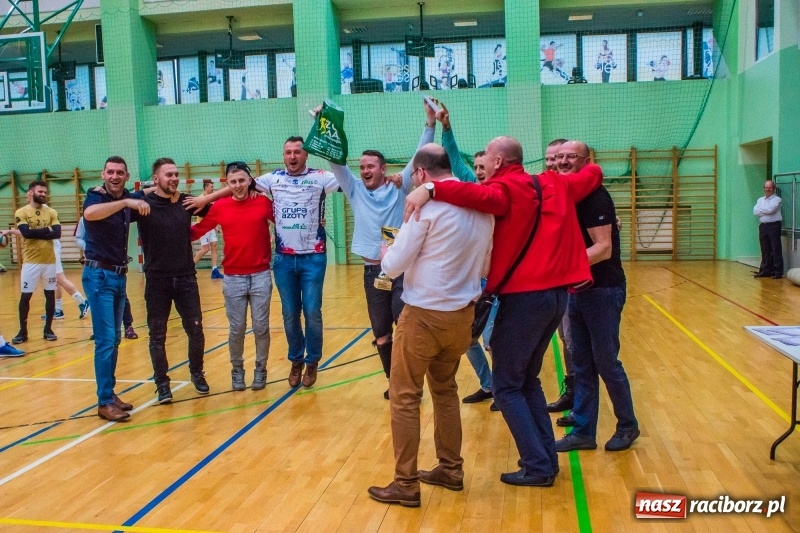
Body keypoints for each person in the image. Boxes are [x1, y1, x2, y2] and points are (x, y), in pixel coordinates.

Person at [403, 136, 603, 487]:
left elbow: (473, 194)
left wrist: (430, 190)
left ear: (498, 162)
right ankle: (545, 461)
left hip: (524, 300)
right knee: (527, 381)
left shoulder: (504, 190)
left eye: (487, 160)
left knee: (506, 386)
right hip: (557, 297)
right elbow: (593, 173)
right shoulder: (554, 184)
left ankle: (538, 466)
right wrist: (586, 161)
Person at [367, 144, 494, 507]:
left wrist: (386, 254)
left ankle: (405, 483)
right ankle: (451, 469)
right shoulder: (481, 208)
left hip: (423, 315)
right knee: (445, 390)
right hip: (463, 314)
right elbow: (486, 264)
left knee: (404, 397)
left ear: (421, 174)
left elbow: (394, 266)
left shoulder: (424, 207)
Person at [186, 139, 340, 389]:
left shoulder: (318, 178)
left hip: (311, 257)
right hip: (280, 261)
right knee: (288, 314)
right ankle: (295, 361)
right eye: (288, 152)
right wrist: (204, 201)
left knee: (311, 312)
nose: (292, 156)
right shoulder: (271, 179)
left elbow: (350, 183)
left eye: (297, 152)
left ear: (306, 155)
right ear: (283, 155)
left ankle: (311, 361)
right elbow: (236, 187)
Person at [326, 101, 436, 398]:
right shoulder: (353, 188)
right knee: (381, 333)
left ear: (383, 169)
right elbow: (336, 161)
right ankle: (395, 382)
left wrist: (430, 123)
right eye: (362, 167)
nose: (364, 170)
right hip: (374, 272)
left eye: (370, 166)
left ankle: (411, 381)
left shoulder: (399, 187)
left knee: (404, 324)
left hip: (400, 271)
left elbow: (419, 156)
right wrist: (327, 127)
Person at [553, 141, 639, 453]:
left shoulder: (595, 197)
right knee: (581, 364)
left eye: (570, 156)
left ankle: (627, 425)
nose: (563, 161)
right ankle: (583, 432)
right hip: (578, 290)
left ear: (586, 160)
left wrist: (560, 267)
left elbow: (603, 249)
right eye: (559, 157)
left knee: (606, 363)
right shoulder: (570, 195)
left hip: (603, 291)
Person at [191, 162, 274, 391]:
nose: (238, 185)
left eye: (241, 180)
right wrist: (168, 230)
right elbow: (198, 230)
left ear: (249, 181)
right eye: (233, 182)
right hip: (233, 278)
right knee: (236, 329)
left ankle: (261, 369)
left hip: (260, 275)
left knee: (261, 327)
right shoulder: (220, 206)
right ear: (227, 184)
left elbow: (285, 222)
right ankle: (237, 370)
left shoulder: (263, 202)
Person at [433, 102, 497, 406]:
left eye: (485, 167)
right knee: (468, 339)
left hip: (498, 281)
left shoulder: (505, 193)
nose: (480, 172)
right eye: (478, 168)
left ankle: (505, 388)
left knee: (493, 338)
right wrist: (446, 127)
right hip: (473, 279)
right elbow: (455, 159)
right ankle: (489, 384)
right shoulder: (472, 187)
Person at [133, 158, 209, 404]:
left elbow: (217, 208)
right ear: (156, 179)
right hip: (157, 280)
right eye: (169, 175)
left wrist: (207, 198)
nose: (174, 178)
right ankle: (162, 384)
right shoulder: (142, 204)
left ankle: (197, 373)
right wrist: (143, 192)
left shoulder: (187, 202)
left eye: (176, 174)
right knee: (157, 334)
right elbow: (116, 202)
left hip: (186, 277)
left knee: (195, 329)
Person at [81, 156, 150, 421]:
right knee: (105, 340)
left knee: (115, 339)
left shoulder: (127, 199)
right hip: (99, 276)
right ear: (103, 174)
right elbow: (90, 214)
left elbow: (147, 194)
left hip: (119, 276)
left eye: (120, 172)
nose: (114, 176)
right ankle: (104, 401)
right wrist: (126, 202)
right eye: (110, 172)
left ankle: (109, 393)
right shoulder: (96, 196)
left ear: (126, 176)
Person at [3, 181, 61, 344]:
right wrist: (47, 230)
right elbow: (26, 233)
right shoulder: (22, 212)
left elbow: (57, 233)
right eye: (40, 192)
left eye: (45, 192)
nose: (43, 194)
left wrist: (36, 232)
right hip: (31, 262)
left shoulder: (51, 212)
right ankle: (23, 331)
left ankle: (48, 329)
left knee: (50, 295)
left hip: (49, 261)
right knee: (25, 296)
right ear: (31, 193)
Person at [544, 139, 577, 417]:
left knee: (576, 342)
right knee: (566, 339)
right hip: (556, 282)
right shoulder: (547, 190)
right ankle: (572, 392)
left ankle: (581, 399)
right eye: (550, 159)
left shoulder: (578, 192)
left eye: (559, 158)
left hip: (579, 284)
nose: (555, 163)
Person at [75, 217, 137, 339]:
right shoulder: (85, 218)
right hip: (96, 266)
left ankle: (128, 325)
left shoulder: (115, 217)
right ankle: (99, 330)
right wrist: (89, 247)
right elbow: (78, 238)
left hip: (114, 266)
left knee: (122, 298)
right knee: (97, 301)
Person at [39, 237, 90, 320]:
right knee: (55, 279)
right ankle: (58, 309)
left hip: (51, 246)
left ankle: (82, 302)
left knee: (59, 278)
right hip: (47, 246)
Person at [192, 180, 224, 280]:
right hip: (203, 226)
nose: (212, 188)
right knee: (205, 249)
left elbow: (212, 214)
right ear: (206, 187)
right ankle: (190, 267)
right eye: (211, 187)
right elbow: (204, 215)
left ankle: (215, 270)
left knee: (214, 245)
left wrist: (215, 226)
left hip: (210, 227)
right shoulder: (201, 198)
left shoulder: (211, 198)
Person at [753, 180, 783, 279]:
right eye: (766, 187)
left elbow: (770, 210)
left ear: (773, 189)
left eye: (770, 187)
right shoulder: (760, 200)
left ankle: (777, 271)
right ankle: (765, 270)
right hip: (763, 226)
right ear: (764, 188)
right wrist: (765, 211)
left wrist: (762, 210)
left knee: (775, 248)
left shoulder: (777, 199)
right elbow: (755, 211)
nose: (767, 189)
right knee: (765, 249)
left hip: (774, 226)